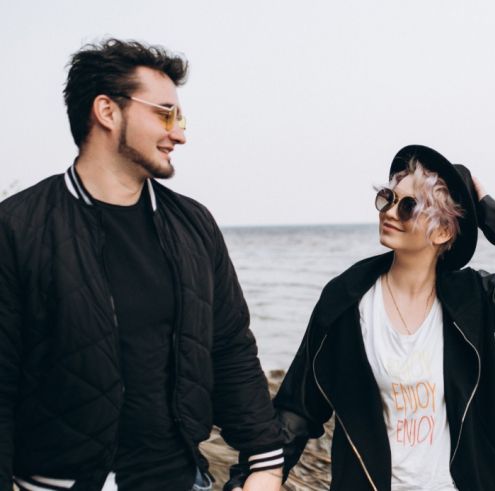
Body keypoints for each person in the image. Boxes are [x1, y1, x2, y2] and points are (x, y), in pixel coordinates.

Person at [0, 39, 284, 491]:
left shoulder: (193, 224)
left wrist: (264, 463)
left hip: (181, 479)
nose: (180, 133)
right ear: (107, 111)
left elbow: (228, 346)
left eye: (180, 117)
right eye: (165, 113)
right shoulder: (18, 228)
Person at [227, 145, 495, 490]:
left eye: (408, 206)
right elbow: (299, 406)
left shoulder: (474, 298)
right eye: (387, 198)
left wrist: (486, 210)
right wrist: (258, 475)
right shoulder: (347, 298)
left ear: (442, 232)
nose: (390, 212)